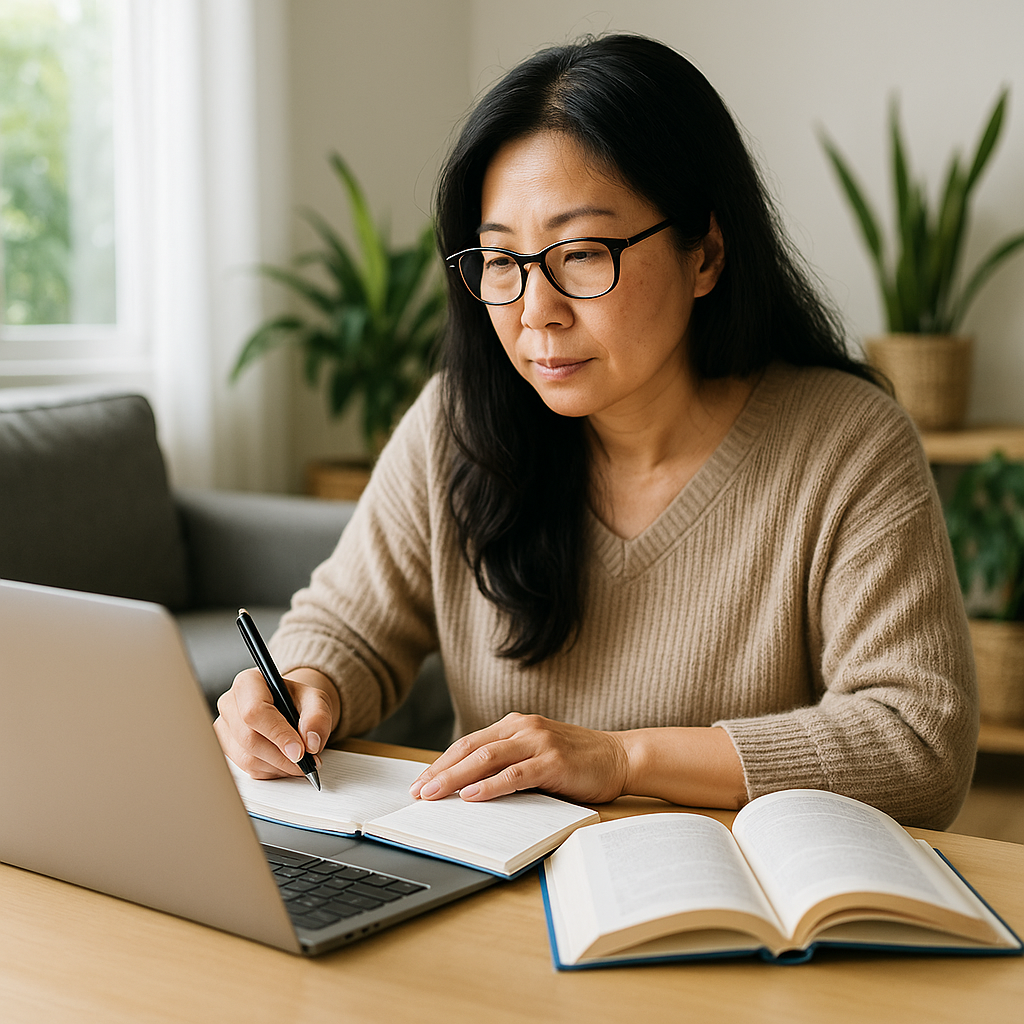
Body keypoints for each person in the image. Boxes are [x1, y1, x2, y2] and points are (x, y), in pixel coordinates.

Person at [214, 34, 978, 829]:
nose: (534, 310)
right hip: (488, 884)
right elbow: (344, 627)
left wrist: (623, 759)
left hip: (728, 905)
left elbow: (917, 742)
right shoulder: (457, 425)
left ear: (705, 253)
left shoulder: (845, 445)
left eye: (580, 253)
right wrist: (303, 687)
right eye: (502, 260)